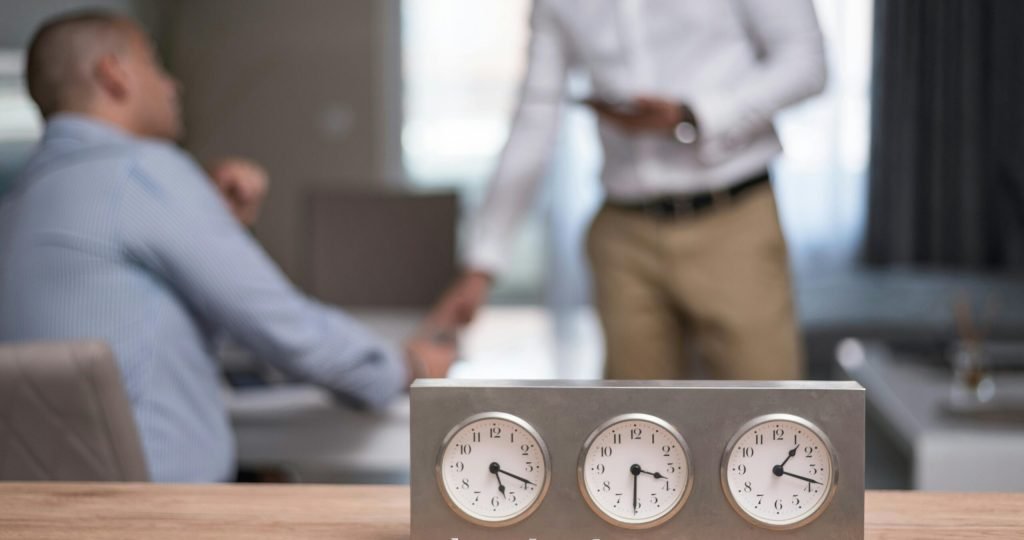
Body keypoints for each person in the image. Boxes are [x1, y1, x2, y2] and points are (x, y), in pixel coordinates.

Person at [0, 11, 454, 482]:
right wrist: (407, 364)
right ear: (114, 73)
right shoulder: (140, 171)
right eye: (154, 65)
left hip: (46, 509)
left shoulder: (20, 201)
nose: (171, 84)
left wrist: (212, 218)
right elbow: (282, 326)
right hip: (160, 509)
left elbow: (140, 323)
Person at [430, 0, 827, 380]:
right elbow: (535, 118)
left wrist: (693, 114)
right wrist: (482, 266)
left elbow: (806, 63)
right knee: (633, 428)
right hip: (624, 235)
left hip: (733, 222)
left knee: (765, 419)